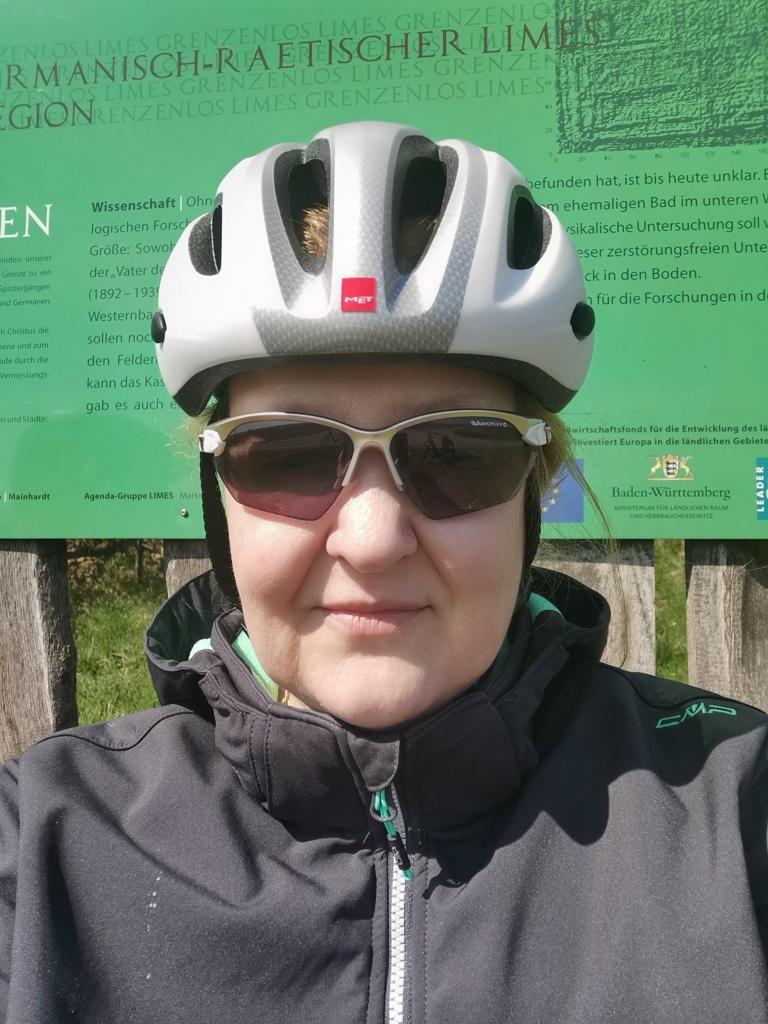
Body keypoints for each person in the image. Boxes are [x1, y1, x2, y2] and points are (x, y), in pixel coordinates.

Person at [1, 120, 767, 1023]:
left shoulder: (736, 811)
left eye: (456, 453)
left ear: (532, 492)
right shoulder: (43, 850)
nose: (371, 540)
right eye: (287, 455)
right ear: (218, 498)